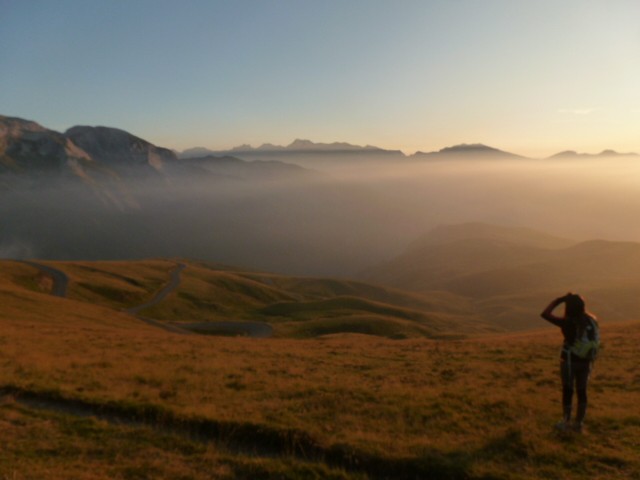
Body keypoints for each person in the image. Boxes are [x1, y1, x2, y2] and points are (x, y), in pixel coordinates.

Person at [541, 293, 599, 433]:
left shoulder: (567, 322)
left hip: (569, 360)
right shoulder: (592, 320)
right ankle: (578, 424)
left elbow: (545, 313)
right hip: (586, 361)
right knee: (582, 390)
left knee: (568, 390)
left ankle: (566, 422)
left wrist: (559, 300)